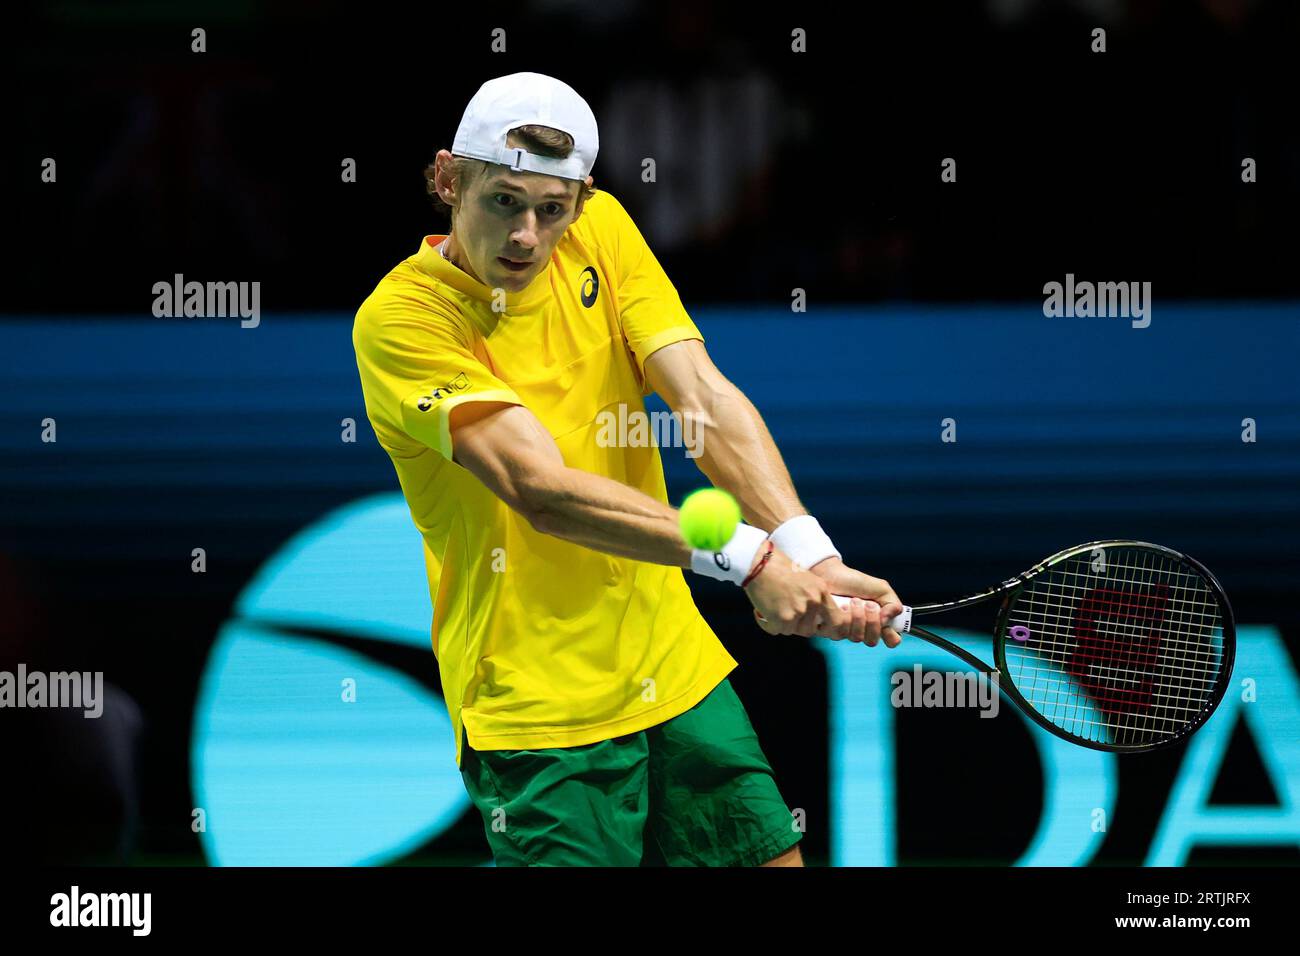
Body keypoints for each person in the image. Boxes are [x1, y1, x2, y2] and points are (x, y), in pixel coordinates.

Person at [352, 72, 904, 867]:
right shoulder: (403, 320)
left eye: (552, 209)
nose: (527, 238)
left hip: (669, 666)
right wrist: (748, 557)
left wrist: (807, 547)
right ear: (448, 178)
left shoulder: (602, 231)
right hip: (536, 706)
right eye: (503, 202)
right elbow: (538, 490)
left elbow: (700, 395)